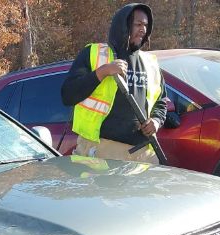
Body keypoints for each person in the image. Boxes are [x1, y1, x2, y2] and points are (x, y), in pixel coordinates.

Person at [61, 3, 166, 164]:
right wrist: (102, 72)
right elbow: (68, 95)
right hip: (101, 149)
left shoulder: (150, 62)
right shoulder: (93, 53)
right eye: (138, 24)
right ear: (124, 26)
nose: (143, 29)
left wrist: (156, 121)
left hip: (143, 153)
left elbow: (161, 101)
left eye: (146, 25)